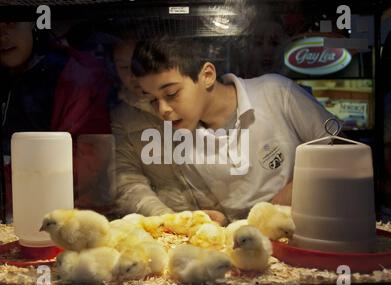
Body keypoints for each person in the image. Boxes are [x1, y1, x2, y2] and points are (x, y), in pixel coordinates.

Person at [130, 37, 335, 221]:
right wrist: (217, 220)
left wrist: (292, 193)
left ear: (207, 75)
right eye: (153, 100)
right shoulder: (181, 143)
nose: (163, 110)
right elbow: (228, 216)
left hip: (316, 227)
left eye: (172, 93)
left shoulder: (276, 93)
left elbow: (342, 148)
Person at [0, 22, 112, 218]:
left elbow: (86, 160)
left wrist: (9, 185)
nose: (2, 36)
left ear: (33, 25)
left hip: (60, 212)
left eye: (11, 23)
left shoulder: (73, 77)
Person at [110, 38, 225, 221]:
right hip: (168, 228)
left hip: (220, 220)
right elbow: (127, 180)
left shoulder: (195, 98)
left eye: (138, 66)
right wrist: (169, 220)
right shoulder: (123, 117)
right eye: (125, 67)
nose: (134, 76)